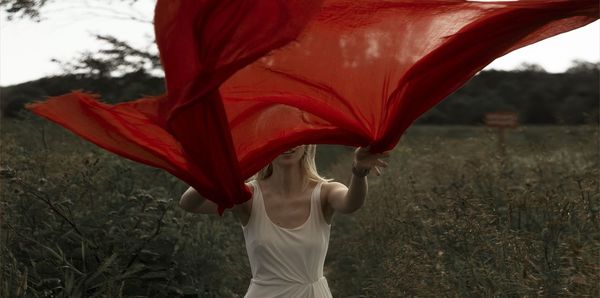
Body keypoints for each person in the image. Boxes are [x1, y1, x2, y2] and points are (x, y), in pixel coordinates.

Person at [179, 145, 390, 297]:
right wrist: (222, 173)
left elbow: (351, 204)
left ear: (308, 144)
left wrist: (359, 173)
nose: (287, 146)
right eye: (279, 139)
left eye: (295, 138)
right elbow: (190, 204)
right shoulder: (248, 196)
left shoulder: (325, 191)